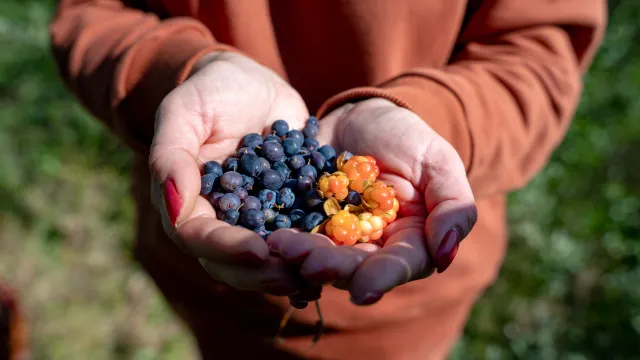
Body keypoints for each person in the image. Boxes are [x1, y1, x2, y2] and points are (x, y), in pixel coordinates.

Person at [49, 1, 606, 359]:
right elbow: (92, 15)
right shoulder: (268, 177)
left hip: (406, 312)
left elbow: (539, 52)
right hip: (212, 288)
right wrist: (182, 69)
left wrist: (438, 118)